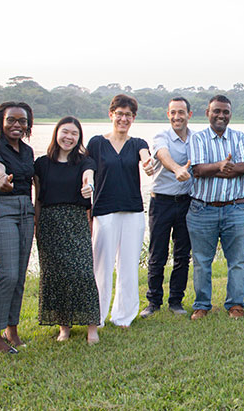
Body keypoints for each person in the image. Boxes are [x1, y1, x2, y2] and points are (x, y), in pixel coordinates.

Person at [87, 94, 153, 328]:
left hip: (133, 211)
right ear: (111, 114)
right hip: (104, 211)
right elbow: (87, 170)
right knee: (101, 266)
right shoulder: (96, 143)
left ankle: (124, 316)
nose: (123, 118)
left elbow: (146, 157)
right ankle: (97, 316)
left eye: (128, 115)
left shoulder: (138, 144)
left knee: (128, 266)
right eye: (119, 114)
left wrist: (147, 163)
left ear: (133, 118)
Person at [33, 117, 100, 343]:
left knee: (82, 273)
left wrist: (88, 187)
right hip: (49, 222)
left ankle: (92, 327)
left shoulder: (85, 162)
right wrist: (36, 225)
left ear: (79, 138)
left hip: (76, 220)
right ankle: (64, 327)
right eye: (65, 132)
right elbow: (38, 197)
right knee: (56, 275)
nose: (69, 137)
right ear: (56, 133)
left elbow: (88, 177)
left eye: (74, 134)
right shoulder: (42, 164)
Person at [187, 95, 244, 320]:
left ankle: (235, 305)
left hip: (235, 209)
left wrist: (214, 169)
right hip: (202, 209)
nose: (221, 115)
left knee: (237, 260)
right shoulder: (197, 139)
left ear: (230, 114)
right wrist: (221, 166)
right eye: (217, 111)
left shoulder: (240, 137)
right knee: (202, 261)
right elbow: (197, 170)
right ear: (207, 112)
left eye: (225, 111)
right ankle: (202, 305)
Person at [0, 101, 36, 352]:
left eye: (22, 121)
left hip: (25, 210)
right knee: (8, 274)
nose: (16, 125)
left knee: (20, 275)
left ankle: (12, 330)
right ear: (1, 121)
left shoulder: (27, 151)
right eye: (11, 120)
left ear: (28, 124)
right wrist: (1, 177)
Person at [140, 97, 194, 317]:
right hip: (161, 202)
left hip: (186, 203)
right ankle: (153, 302)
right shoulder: (161, 136)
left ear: (189, 115)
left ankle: (176, 301)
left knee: (182, 255)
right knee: (157, 254)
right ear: (168, 114)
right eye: (173, 112)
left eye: (181, 112)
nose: (176, 117)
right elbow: (162, 154)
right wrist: (176, 169)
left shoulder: (196, 139)